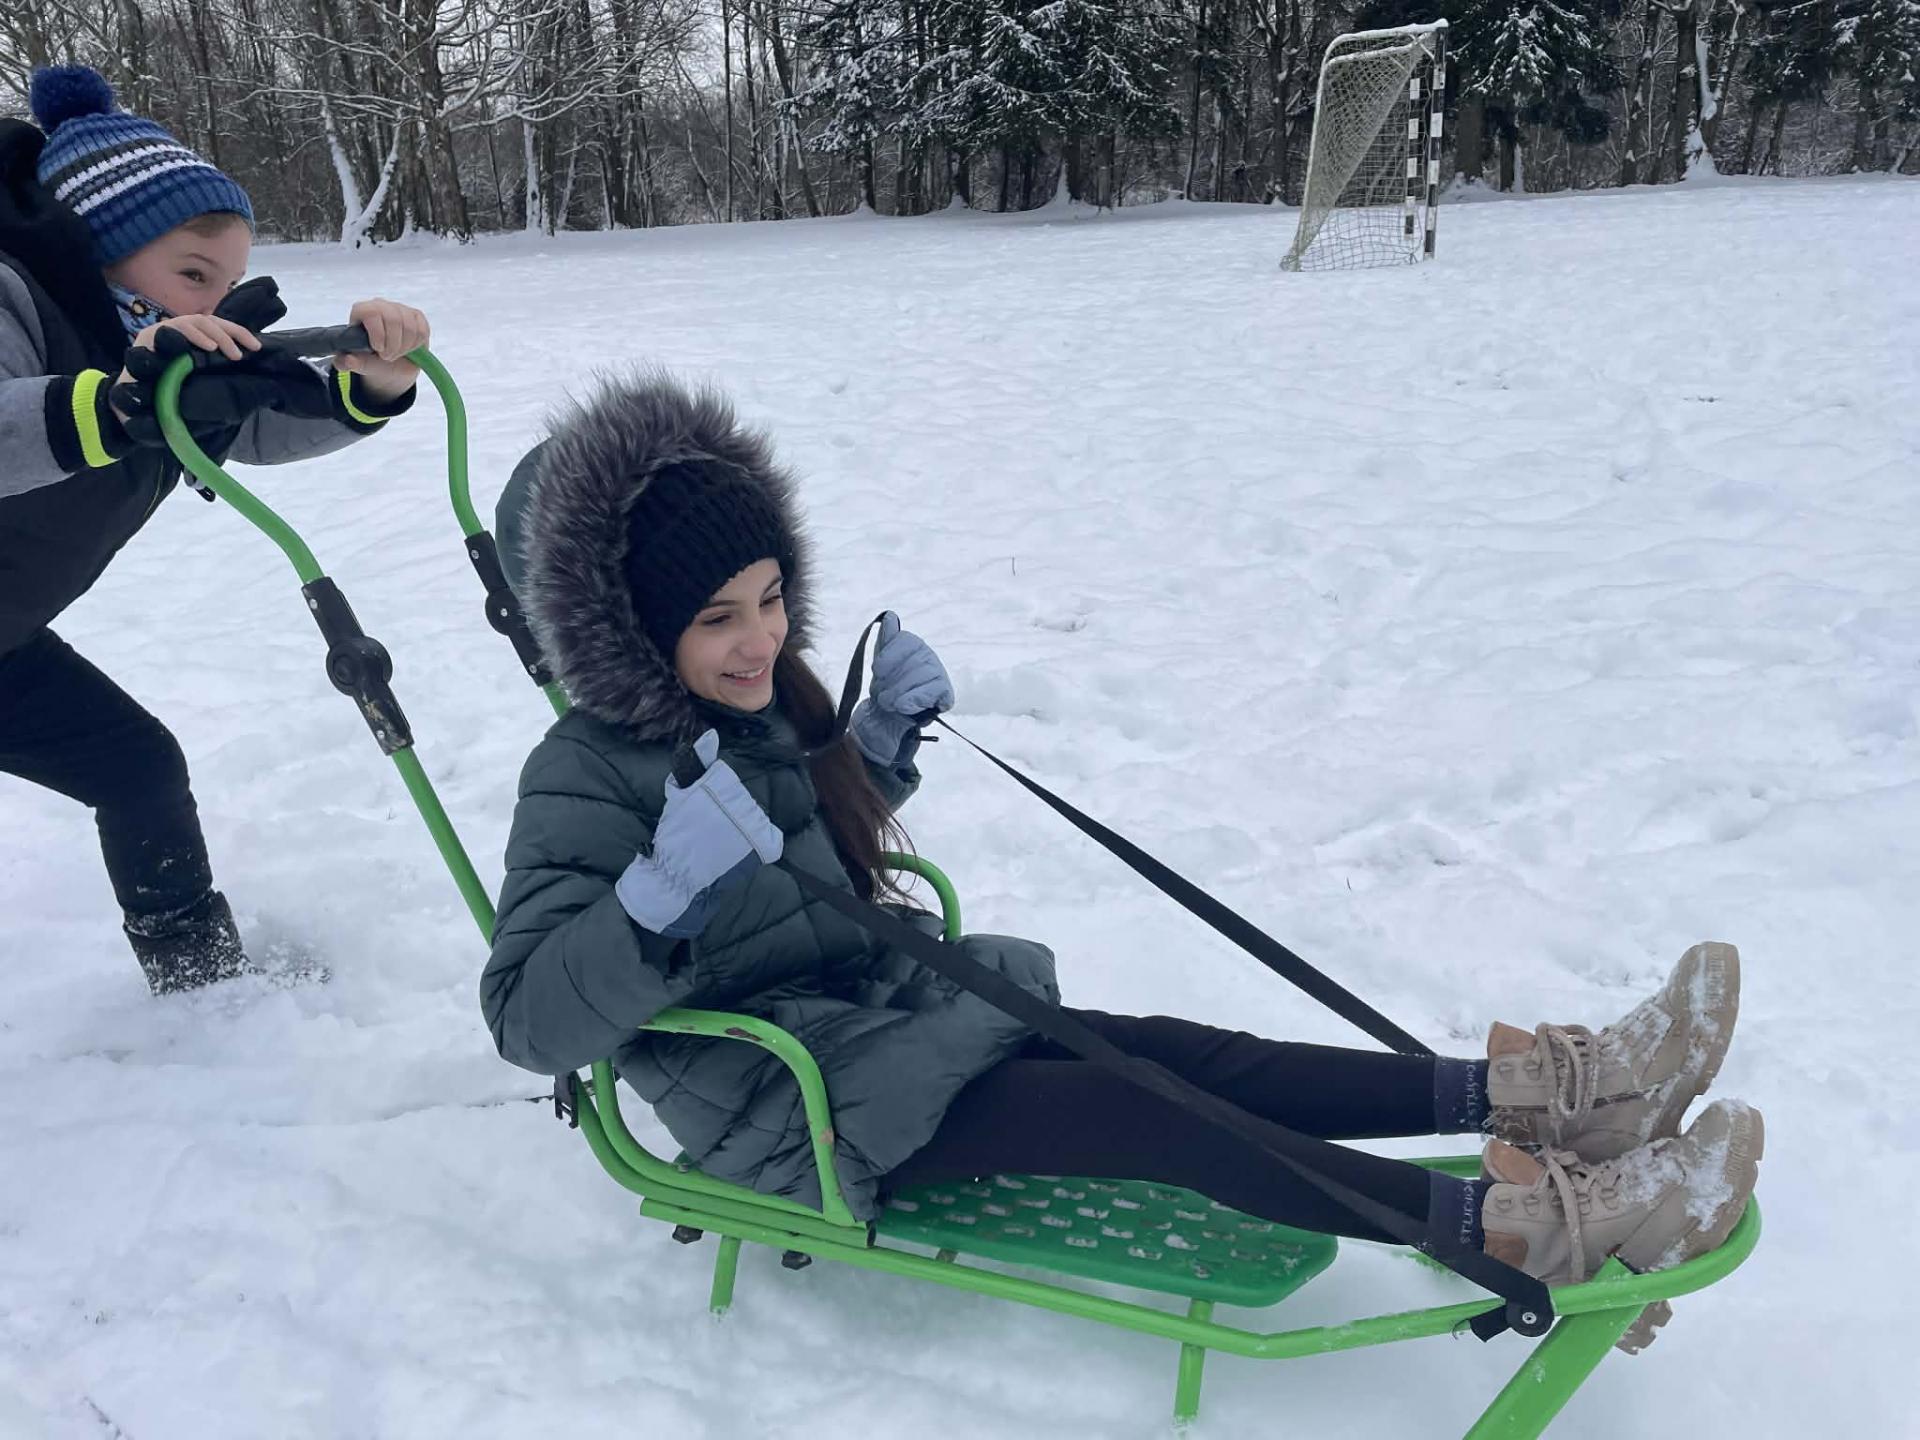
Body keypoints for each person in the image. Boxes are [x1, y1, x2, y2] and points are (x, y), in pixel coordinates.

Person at [480, 373, 1763, 1352]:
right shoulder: (582, 774)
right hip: (792, 1107)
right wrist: (652, 905)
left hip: (880, 1030)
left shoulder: (763, 711)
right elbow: (528, 1022)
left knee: (1181, 1052)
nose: (760, 637)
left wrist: (870, 751)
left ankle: (1538, 1097)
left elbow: (806, 877)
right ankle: (1530, 1235)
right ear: (634, 629)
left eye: (771, 597)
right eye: (719, 617)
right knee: (1150, 1112)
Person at [1, 66, 432, 993]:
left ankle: (202, 987)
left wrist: (365, 388)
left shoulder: (160, 361)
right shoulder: (17, 299)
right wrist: (113, 405)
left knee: (136, 766)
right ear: (94, 247)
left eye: (227, 283)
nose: (209, 303)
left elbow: (250, 430)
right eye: (193, 274)